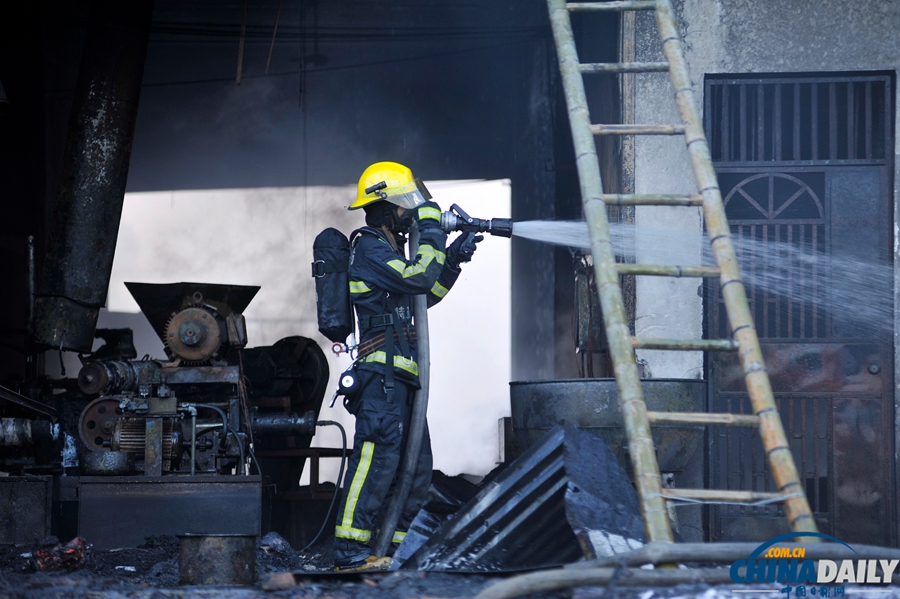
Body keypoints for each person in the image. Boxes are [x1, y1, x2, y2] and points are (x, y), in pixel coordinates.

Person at [332, 161, 481, 572]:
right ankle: (349, 554)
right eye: (406, 205)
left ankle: (394, 551)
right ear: (383, 208)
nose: (411, 211)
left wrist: (451, 260)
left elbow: (423, 296)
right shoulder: (368, 248)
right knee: (376, 463)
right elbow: (417, 279)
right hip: (380, 379)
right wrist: (432, 227)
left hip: (402, 379)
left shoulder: (391, 251)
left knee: (415, 471)